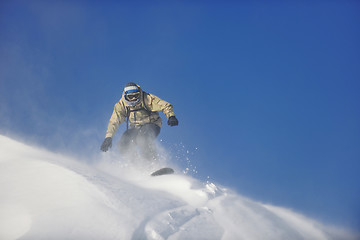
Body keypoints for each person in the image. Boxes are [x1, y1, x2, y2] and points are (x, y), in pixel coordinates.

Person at [100, 82, 178, 161]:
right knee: (124, 142)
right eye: (131, 97)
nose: (133, 99)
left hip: (152, 124)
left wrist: (171, 116)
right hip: (136, 128)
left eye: (136, 96)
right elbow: (114, 121)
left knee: (143, 138)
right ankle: (136, 165)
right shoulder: (121, 105)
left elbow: (164, 105)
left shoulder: (146, 98)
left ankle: (152, 163)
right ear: (126, 96)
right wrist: (109, 137)